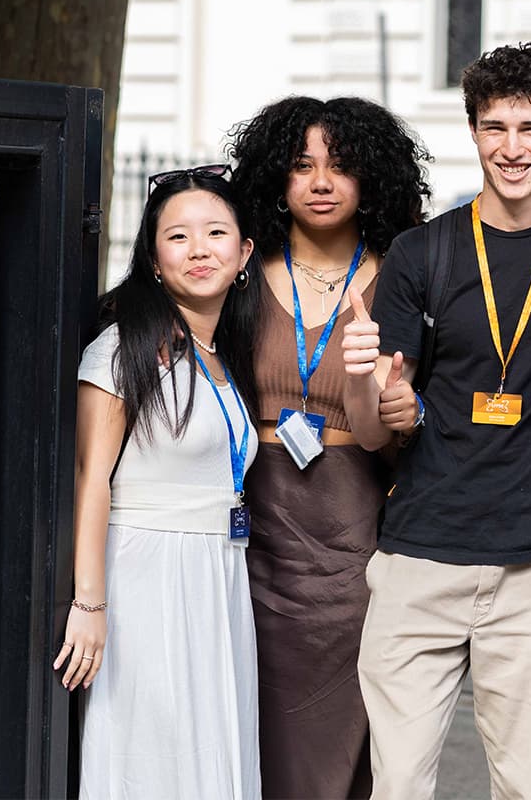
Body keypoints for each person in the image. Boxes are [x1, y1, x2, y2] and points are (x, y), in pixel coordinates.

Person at [342, 43, 531, 800]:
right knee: (400, 784)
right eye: (496, 127)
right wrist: (374, 391)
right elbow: (381, 423)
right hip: (421, 554)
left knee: (528, 788)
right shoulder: (423, 253)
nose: (513, 148)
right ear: (474, 131)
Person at [226, 95, 430, 799]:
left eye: (340, 168)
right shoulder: (241, 272)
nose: (320, 182)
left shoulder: (398, 276)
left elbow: (405, 414)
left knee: (344, 726)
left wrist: (405, 405)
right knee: (252, 720)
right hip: (249, 526)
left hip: (353, 530)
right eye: (302, 166)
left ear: (370, 178)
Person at [59, 165, 263, 799]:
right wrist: (89, 605)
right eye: (178, 236)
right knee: (151, 752)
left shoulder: (222, 354)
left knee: (210, 747)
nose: (199, 249)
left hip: (218, 575)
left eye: (215, 233)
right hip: (146, 576)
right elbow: (92, 479)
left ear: (244, 252)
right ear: (151, 256)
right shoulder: (122, 349)